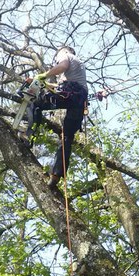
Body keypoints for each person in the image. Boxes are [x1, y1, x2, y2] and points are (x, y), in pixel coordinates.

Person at [26, 46, 88, 187]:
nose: (56, 60)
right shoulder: (78, 67)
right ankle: (56, 175)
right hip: (79, 101)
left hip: (71, 94)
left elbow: (62, 66)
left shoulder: (66, 56)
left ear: (64, 51)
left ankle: (28, 136)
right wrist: (43, 83)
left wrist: (43, 75)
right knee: (66, 137)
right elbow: (59, 87)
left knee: (35, 103)